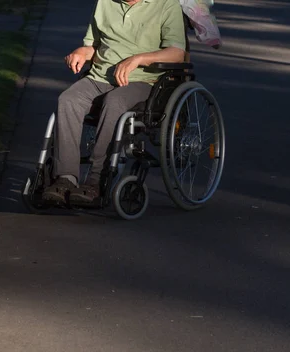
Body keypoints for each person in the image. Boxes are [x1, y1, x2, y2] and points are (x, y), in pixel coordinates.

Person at [42, 0, 187, 206]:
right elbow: (93, 45)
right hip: (99, 77)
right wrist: (81, 52)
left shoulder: (166, 5)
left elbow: (176, 53)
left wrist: (138, 59)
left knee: (115, 101)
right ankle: (65, 178)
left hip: (142, 81)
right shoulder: (105, 2)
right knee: (68, 99)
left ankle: (96, 180)